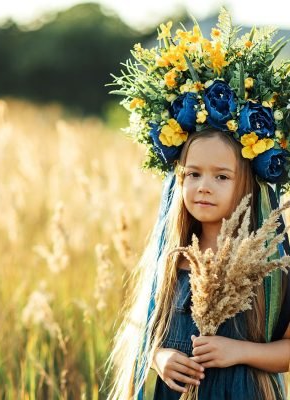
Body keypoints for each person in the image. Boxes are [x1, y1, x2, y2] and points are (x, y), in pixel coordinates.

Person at [103, 8, 290, 400]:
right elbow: (144, 328)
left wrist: (238, 351)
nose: (204, 187)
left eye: (222, 177)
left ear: (248, 186)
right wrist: (160, 358)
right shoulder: (172, 255)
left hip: (244, 391)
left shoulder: (270, 261)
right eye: (193, 174)